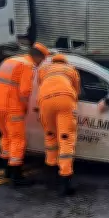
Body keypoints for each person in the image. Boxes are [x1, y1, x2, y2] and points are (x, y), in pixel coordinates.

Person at [0, 42, 50, 187]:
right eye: (42, 59)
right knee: (18, 140)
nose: (41, 63)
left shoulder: (9, 61)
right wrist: (25, 108)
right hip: (12, 107)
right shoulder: (27, 66)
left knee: (6, 136)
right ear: (38, 57)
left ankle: (7, 170)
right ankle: (16, 176)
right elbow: (24, 92)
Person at [37, 53, 81, 196]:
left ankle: (50, 176)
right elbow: (77, 90)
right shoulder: (70, 69)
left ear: (53, 61)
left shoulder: (44, 69)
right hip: (64, 100)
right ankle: (64, 181)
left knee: (50, 137)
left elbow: (40, 84)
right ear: (64, 61)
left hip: (44, 101)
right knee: (65, 139)